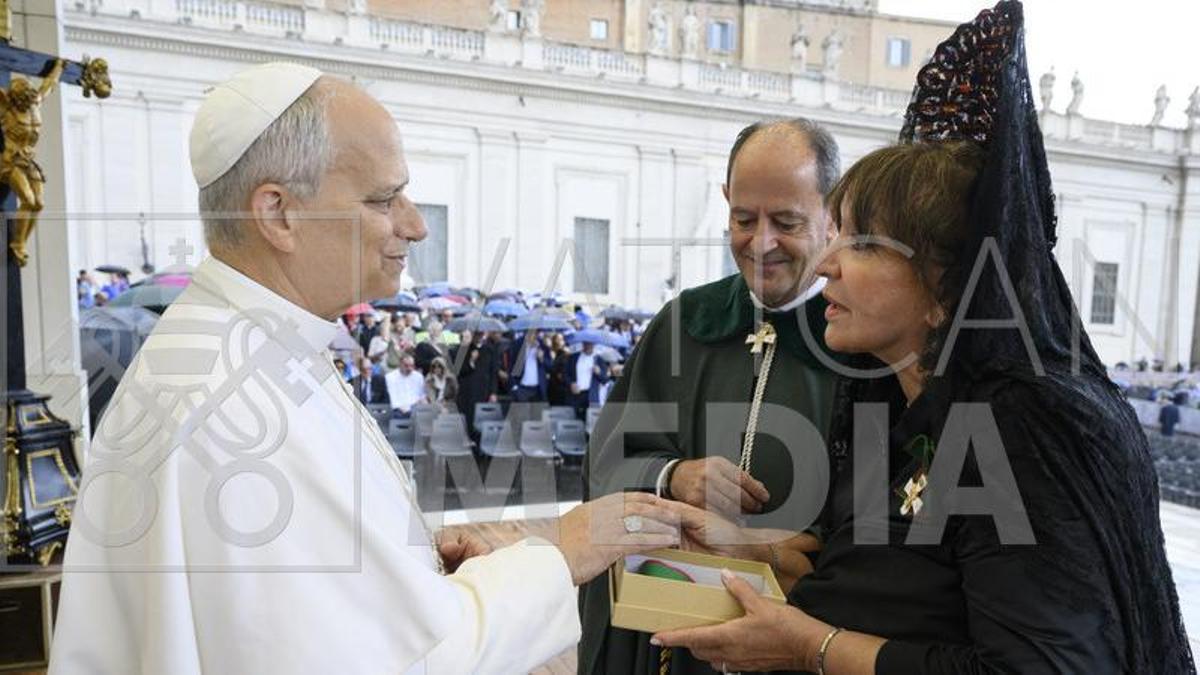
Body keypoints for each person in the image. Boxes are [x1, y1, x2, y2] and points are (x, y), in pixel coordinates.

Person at [51, 62, 687, 674]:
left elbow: (319, 613)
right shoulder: (241, 402)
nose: (414, 226)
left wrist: (408, 567)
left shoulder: (253, 346)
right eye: (385, 199)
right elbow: (405, 663)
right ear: (278, 213)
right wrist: (562, 552)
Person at [652, 4, 1194, 672]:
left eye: (860, 242)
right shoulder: (893, 402)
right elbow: (886, 578)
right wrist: (755, 549)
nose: (826, 264)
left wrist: (806, 646)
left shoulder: (1023, 427)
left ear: (944, 288)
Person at [579, 116, 843, 675]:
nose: (761, 242)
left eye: (787, 222)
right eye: (743, 218)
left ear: (832, 215)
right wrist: (672, 475)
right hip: (666, 634)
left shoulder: (859, 342)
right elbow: (604, 462)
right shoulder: (684, 324)